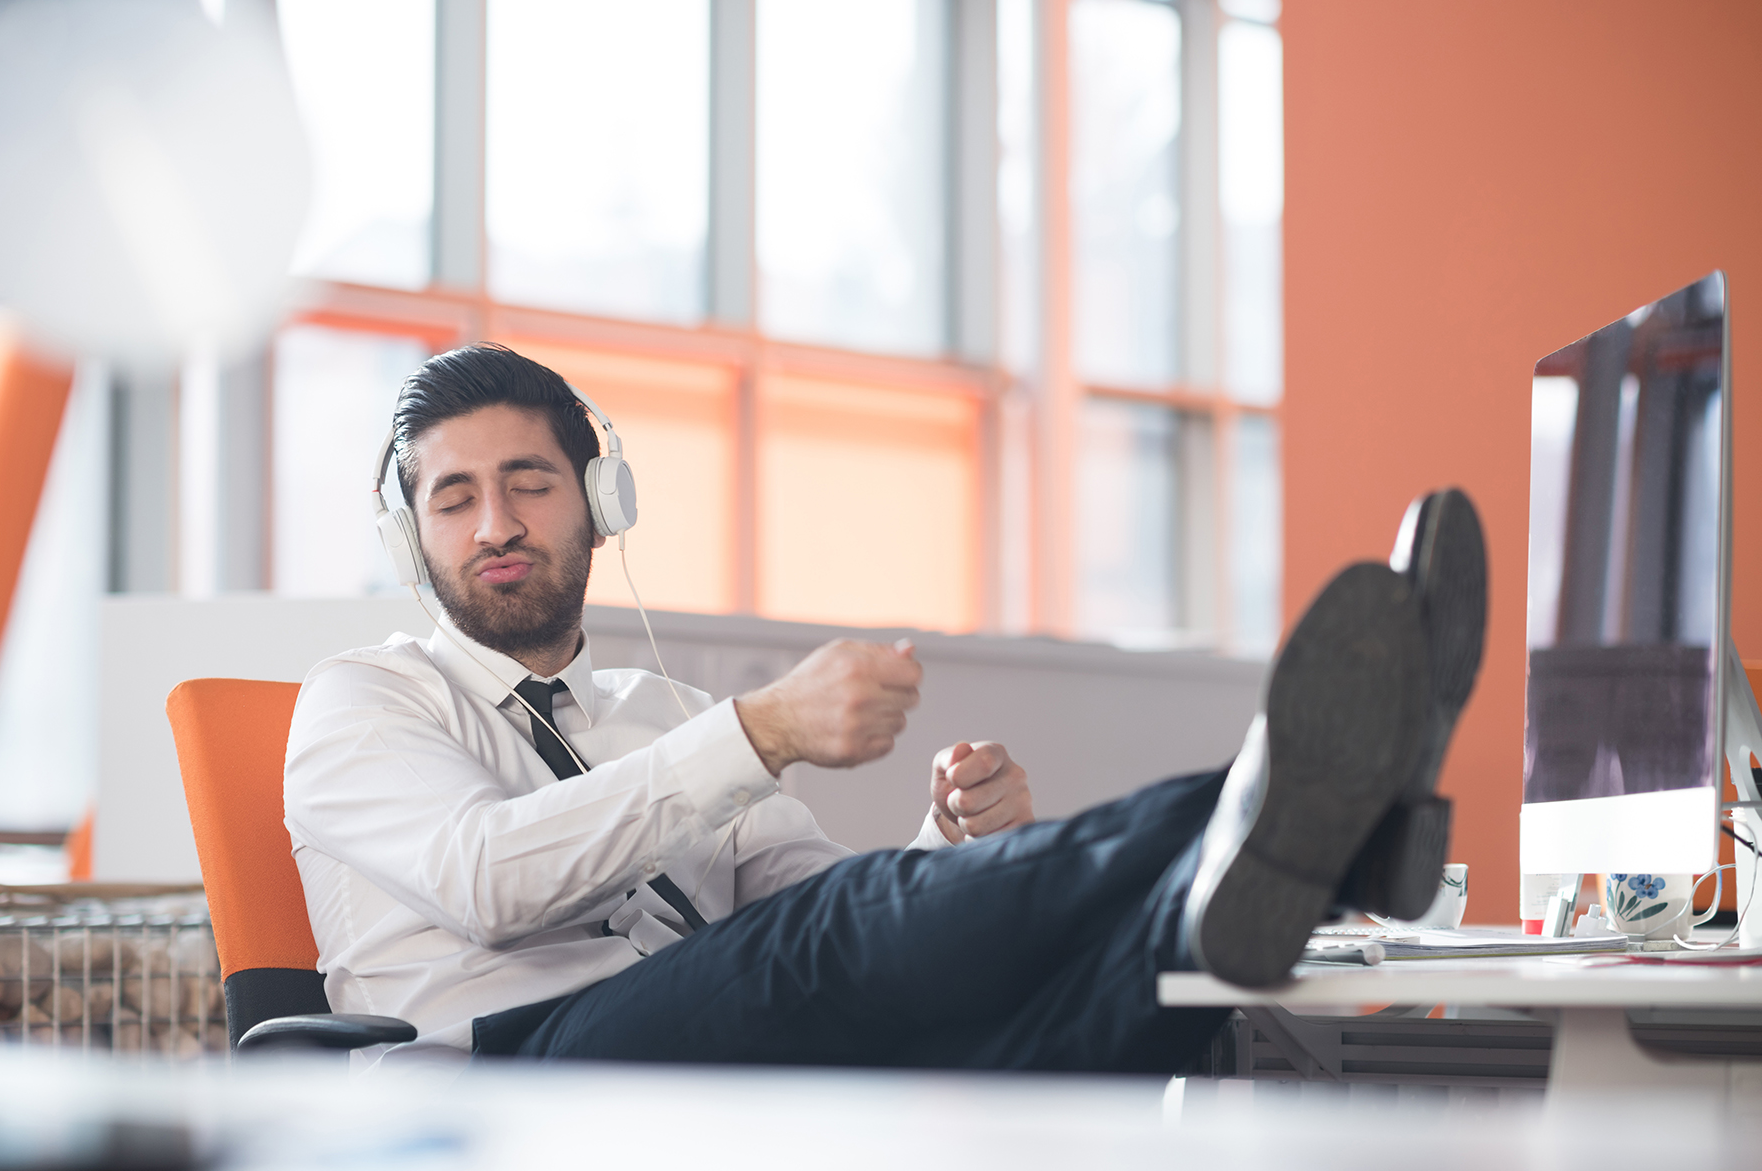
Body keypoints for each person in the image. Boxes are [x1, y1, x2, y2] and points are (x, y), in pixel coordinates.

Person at [284, 344, 1485, 1070]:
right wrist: (757, 734)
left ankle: (1314, 845)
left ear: (600, 501)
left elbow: (829, 914)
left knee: (1078, 1035)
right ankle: (1324, 800)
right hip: (496, 1078)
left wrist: (942, 852)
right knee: (842, 937)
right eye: (453, 499)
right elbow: (493, 880)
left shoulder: (658, 707)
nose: (493, 523)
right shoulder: (362, 703)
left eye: (528, 483)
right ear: (411, 536)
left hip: (710, 1044)